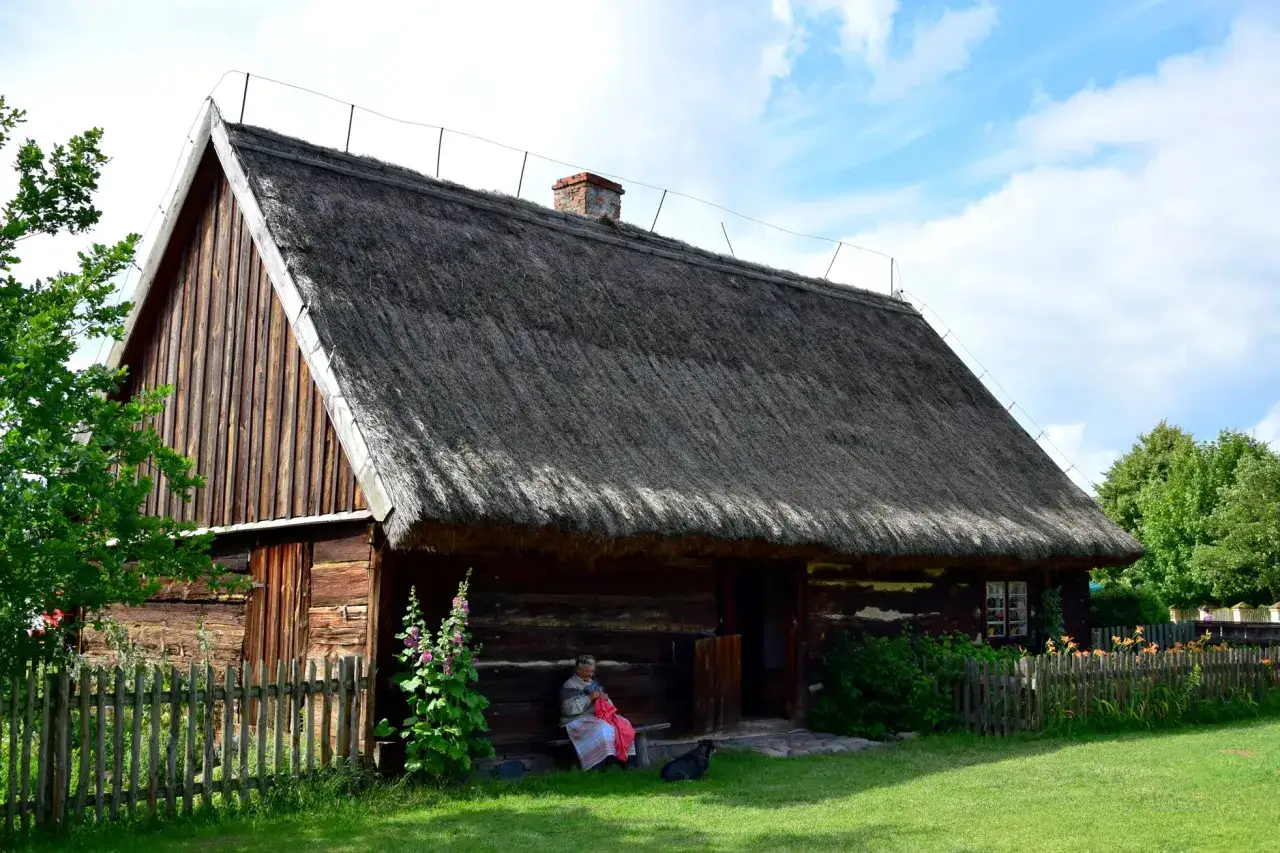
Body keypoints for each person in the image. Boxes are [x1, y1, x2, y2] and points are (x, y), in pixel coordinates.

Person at [559, 654, 635, 770]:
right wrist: (589, 698)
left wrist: (605, 699)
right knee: (602, 727)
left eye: (592, 671)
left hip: (597, 717)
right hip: (576, 720)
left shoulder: (594, 684)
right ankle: (598, 765)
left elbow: (610, 707)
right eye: (587, 671)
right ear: (578, 670)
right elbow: (567, 710)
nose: (590, 674)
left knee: (623, 723)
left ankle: (627, 762)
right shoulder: (570, 685)